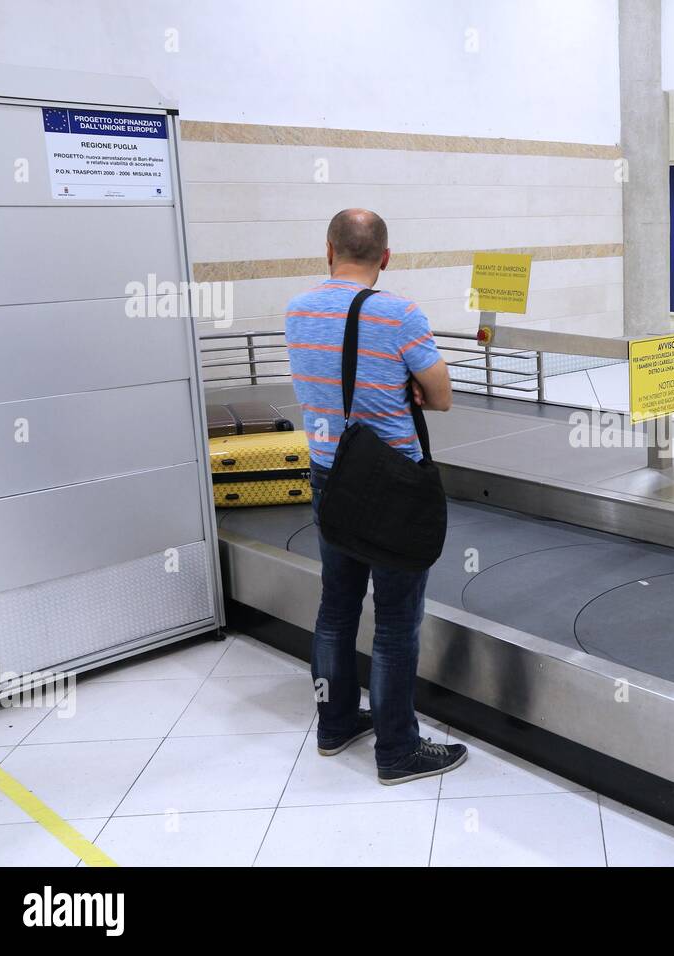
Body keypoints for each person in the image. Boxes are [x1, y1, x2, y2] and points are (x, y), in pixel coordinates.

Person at [285, 208, 466, 785]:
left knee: (335, 608)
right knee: (394, 621)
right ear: (385, 257)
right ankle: (397, 749)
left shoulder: (297, 310)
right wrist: (405, 385)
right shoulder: (399, 313)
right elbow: (441, 397)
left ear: (328, 249)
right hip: (392, 486)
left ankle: (335, 724)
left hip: (328, 475)